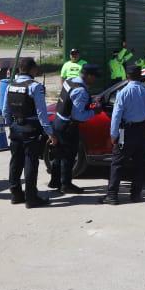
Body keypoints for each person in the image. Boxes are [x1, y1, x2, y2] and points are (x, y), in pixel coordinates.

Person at [3, 57, 57, 208]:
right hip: (31, 130)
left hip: (15, 128)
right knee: (30, 163)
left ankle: (15, 194)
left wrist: (11, 125)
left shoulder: (10, 85)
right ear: (32, 69)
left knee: (15, 161)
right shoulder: (35, 87)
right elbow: (42, 113)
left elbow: (5, 110)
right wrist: (50, 133)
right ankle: (31, 197)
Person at [104, 64, 145, 205]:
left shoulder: (123, 93)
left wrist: (113, 134)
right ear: (140, 76)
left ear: (127, 76)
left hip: (126, 132)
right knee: (139, 164)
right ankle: (135, 195)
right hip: (142, 131)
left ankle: (112, 196)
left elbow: (116, 115)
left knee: (117, 163)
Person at [48, 63, 101, 194]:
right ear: (88, 76)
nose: (95, 80)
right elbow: (79, 115)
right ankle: (66, 185)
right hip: (68, 126)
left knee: (58, 153)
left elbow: (70, 100)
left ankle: (55, 181)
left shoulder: (70, 81)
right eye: (94, 77)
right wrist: (95, 111)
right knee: (68, 156)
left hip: (58, 121)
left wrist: (90, 99)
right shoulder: (81, 91)